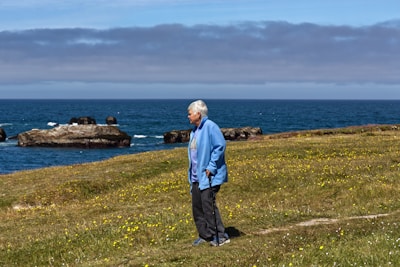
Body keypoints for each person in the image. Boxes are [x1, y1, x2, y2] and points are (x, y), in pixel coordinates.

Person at [187, 100, 230, 247]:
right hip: (196, 176)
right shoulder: (195, 130)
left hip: (209, 176)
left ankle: (220, 235)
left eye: (190, 113)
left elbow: (220, 146)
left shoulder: (210, 126)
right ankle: (205, 235)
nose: (188, 116)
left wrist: (211, 167)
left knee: (208, 206)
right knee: (197, 206)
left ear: (198, 114)